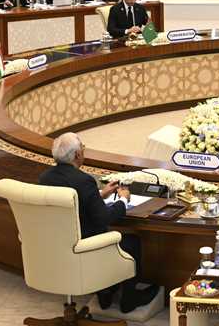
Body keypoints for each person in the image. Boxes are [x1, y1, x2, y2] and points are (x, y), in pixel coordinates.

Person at [38, 133, 159, 314]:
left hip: (56, 249)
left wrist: (99, 195)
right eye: (83, 147)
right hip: (84, 249)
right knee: (132, 242)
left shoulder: (45, 178)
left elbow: (71, 202)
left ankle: (105, 293)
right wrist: (123, 200)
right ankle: (130, 299)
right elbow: (104, 218)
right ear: (77, 154)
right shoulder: (83, 180)